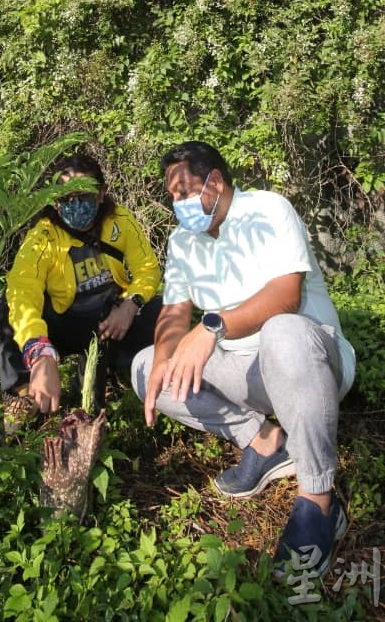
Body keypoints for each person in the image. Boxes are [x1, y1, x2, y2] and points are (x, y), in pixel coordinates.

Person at [131, 141, 356, 580]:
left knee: (282, 331)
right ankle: (265, 442)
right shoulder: (184, 241)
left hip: (309, 364)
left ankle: (319, 501)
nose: (178, 205)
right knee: (144, 366)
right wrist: (164, 358)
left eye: (184, 192)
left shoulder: (268, 210)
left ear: (214, 181)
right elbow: (175, 311)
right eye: (172, 197)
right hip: (247, 373)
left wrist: (210, 328)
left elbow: (286, 297)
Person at [0, 150, 162, 415]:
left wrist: (131, 305)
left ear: (101, 193)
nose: (75, 204)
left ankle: (113, 370)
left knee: (162, 311)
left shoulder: (118, 222)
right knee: (9, 304)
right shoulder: (43, 236)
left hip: (108, 322)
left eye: (83, 196)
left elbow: (147, 269)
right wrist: (39, 350)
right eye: (67, 197)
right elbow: (23, 289)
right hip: (61, 324)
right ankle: (22, 391)